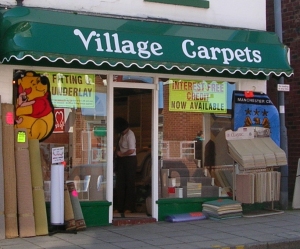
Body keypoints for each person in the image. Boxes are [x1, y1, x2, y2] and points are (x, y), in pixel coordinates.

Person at [113, 117, 137, 214]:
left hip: (129, 160)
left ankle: (129, 207)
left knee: (129, 184)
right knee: (120, 183)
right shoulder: (122, 135)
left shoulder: (130, 135)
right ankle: (119, 207)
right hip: (122, 160)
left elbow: (132, 150)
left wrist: (121, 154)